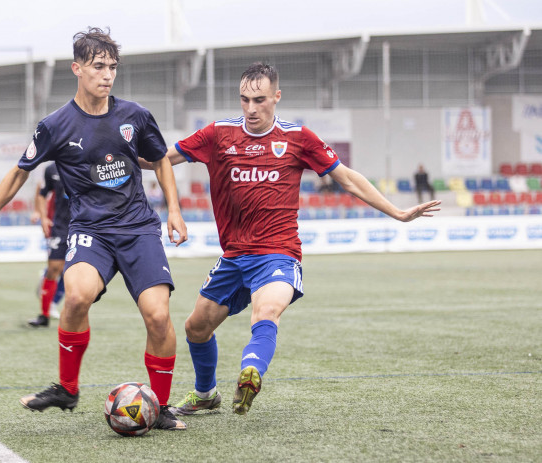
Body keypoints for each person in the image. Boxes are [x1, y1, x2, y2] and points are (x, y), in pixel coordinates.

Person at [152, 63, 440, 416]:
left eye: (259, 100)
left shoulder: (298, 138)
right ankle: (205, 394)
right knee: (196, 328)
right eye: (244, 100)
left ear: (277, 97)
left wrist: (397, 212)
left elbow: (347, 179)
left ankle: (251, 370)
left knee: (267, 311)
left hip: (278, 253)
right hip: (234, 256)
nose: (251, 108)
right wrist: (111, 156)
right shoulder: (218, 134)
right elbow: (161, 159)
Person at [0, 27, 188, 430]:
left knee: (158, 316)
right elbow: (18, 174)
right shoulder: (55, 125)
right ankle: (67, 388)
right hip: (90, 231)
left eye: (112, 67)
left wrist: (174, 210)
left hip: (137, 229)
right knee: (76, 296)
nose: (107, 75)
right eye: (99, 66)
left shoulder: (135, 115)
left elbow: (160, 159)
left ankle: (161, 407)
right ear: (77, 68)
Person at [28, 162, 69, 327]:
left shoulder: (88, 161)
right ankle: (44, 315)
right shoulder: (51, 169)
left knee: (73, 271)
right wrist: (42, 216)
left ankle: (71, 312)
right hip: (60, 226)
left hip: (86, 225)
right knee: (54, 268)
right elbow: (41, 192)